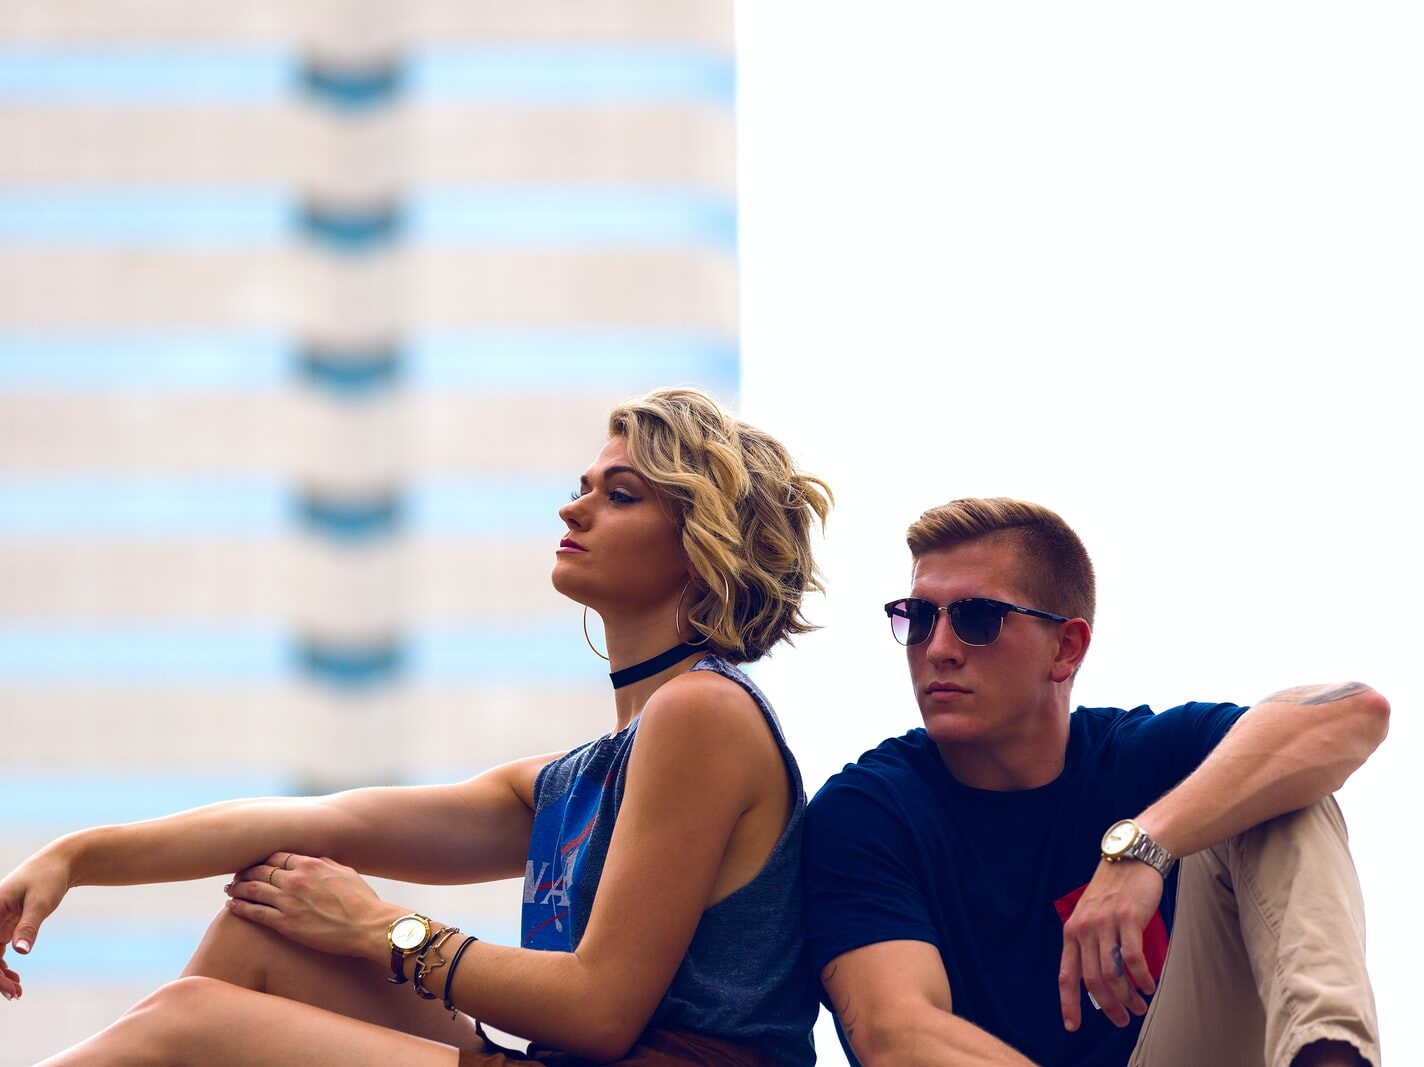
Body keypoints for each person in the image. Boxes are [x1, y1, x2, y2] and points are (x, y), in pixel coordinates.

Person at [0, 387, 830, 1067]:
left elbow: (600, 1008)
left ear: (703, 545)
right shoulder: (583, 775)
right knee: (266, 925)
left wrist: (378, 928)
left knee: (190, 1022)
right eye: (584, 486)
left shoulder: (704, 711)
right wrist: (74, 857)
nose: (573, 510)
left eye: (619, 495)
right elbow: (322, 822)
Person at [802, 497, 1386, 1067]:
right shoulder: (866, 812)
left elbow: (1356, 712)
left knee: (1280, 790)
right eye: (919, 618)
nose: (939, 649)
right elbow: (896, 1033)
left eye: (978, 619)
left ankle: (1331, 1056)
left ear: (1066, 648)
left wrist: (1143, 845)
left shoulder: (1143, 756)